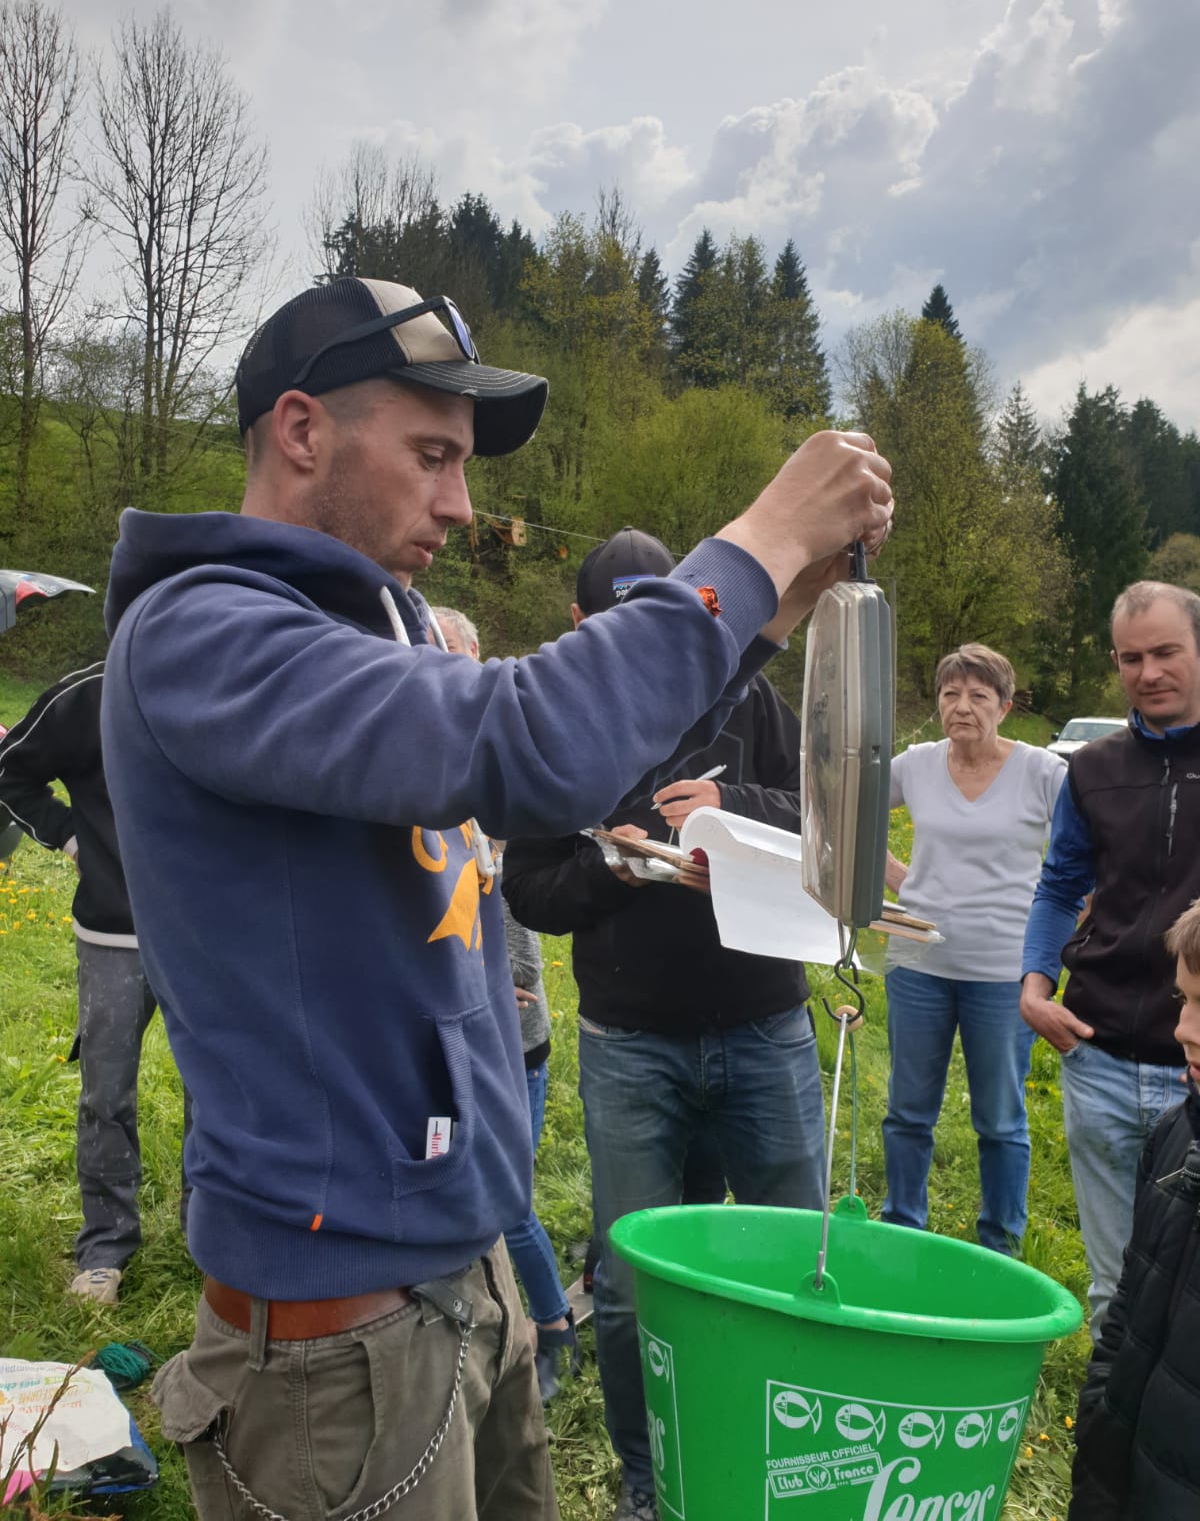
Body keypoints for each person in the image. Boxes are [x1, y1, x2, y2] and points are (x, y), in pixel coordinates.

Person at [98, 275, 892, 1521]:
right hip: (335, 1348)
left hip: (468, 1280)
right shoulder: (206, 635)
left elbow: (580, 740)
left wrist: (767, 616)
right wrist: (759, 540)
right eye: (432, 456)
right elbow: (529, 741)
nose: (463, 503)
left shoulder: (376, 633)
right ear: (301, 430)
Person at [502, 527, 827, 1521]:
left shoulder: (747, 698)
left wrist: (731, 807)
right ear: (580, 622)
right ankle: (650, 1483)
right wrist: (614, 865)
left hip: (766, 1025)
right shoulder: (558, 724)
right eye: (619, 618)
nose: (642, 636)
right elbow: (531, 890)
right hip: (630, 1044)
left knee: (797, 1259)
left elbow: (828, 819)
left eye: (659, 613)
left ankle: (792, 1467)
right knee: (632, 1282)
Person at [1022, 582, 1200, 1339]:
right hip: (1097, 1060)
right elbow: (1060, 884)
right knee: (1114, 1287)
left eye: (1166, 652)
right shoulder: (1091, 769)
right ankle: (1112, 1414)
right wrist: (1034, 984)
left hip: (1194, 1063)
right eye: (1131, 658)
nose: (1148, 672)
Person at [0, 660, 190, 1305]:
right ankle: (105, 1247)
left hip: (212, 939)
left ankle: (210, 1233)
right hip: (114, 932)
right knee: (106, 1094)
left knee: (217, 1094)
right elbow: (9, 771)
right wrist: (69, 837)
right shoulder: (87, 697)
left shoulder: (231, 683)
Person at [432, 605, 580, 1402]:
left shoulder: (498, 785)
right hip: (453, 1034)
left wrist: (494, 989)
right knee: (465, 1192)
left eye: (451, 655)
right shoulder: (424, 774)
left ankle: (553, 1326)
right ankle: (483, 1328)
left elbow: (518, 935)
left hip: (513, 1039)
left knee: (506, 1201)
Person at [882, 644, 1064, 1256]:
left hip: (1003, 971)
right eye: (950, 694)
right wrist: (902, 881)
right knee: (907, 1110)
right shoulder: (915, 765)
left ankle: (999, 1247)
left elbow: (1086, 854)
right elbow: (847, 809)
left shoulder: (1043, 772)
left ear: (1005, 707)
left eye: (978, 696)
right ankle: (902, 1230)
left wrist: (1069, 927)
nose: (961, 707)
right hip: (917, 965)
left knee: (1000, 1118)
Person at [1067, 895, 1200, 1520]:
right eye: (1184, 999)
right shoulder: (1175, 1139)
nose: (1183, 1029)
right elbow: (1125, 1314)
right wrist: (1097, 1424)